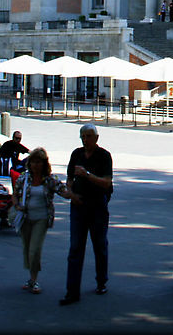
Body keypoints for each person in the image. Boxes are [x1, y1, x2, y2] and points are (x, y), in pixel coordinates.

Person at [60, 123, 113, 305]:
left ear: (96, 138)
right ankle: (72, 291)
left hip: (97, 206)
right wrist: (70, 192)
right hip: (78, 205)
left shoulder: (104, 156)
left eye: (88, 136)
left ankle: (101, 281)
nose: (85, 140)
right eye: (82, 136)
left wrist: (87, 174)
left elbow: (107, 183)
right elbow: (69, 178)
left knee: (99, 245)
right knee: (75, 248)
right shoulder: (76, 154)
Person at [13, 147, 75, 295]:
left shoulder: (49, 180)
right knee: (27, 249)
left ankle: (34, 280)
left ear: (44, 163)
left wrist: (73, 193)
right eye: (33, 162)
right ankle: (30, 278)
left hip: (41, 218)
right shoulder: (24, 178)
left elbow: (63, 191)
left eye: (39, 162)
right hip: (26, 218)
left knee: (35, 250)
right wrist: (17, 206)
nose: (36, 165)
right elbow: (15, 194)